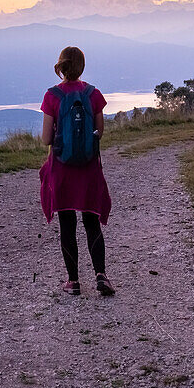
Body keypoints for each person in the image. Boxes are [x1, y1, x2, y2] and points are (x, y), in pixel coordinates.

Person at [39, 46, 114, 296]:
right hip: (89, 168)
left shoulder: (52, 96)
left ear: (60, 66)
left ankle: (73, 282)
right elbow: (99, 132)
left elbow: (46, 138)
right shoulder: (93, 94)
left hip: (62, 169)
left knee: (67, 224)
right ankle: (101, 275)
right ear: (82, 66)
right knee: (92, 222)